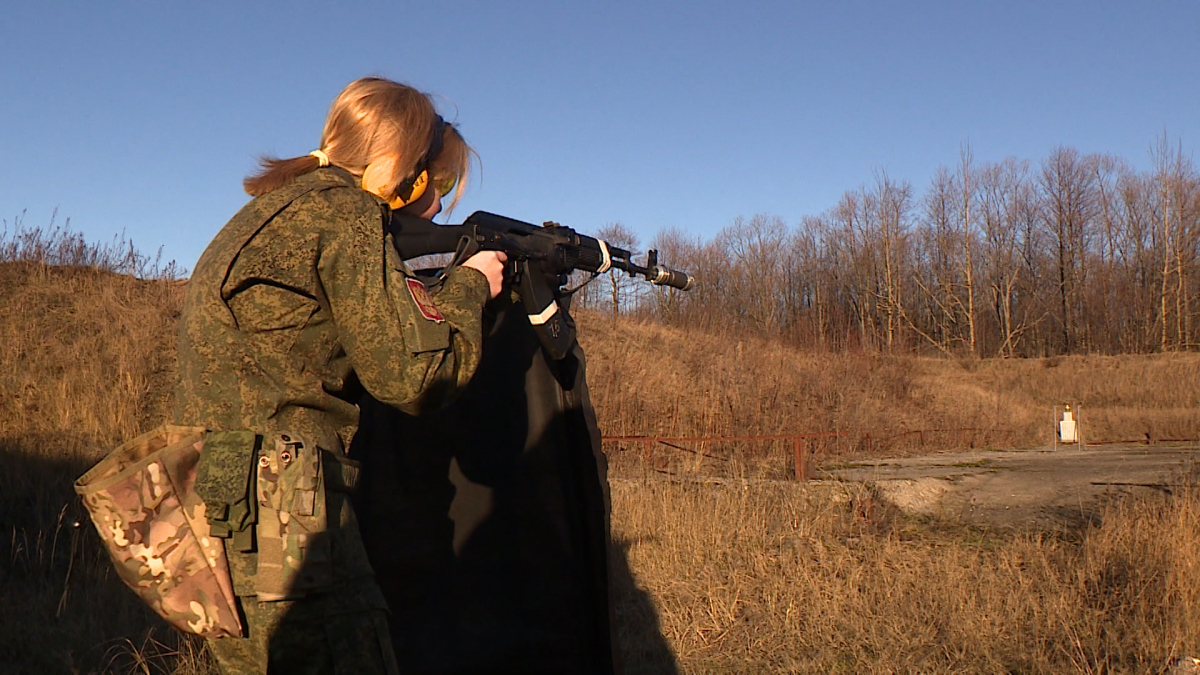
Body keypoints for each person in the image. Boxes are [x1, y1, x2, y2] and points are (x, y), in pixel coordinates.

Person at [172, 76, 506, 674]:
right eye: (443, 180)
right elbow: (414, 378)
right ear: (406, 165)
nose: (439, 200)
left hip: (221, 504)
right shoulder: (347, 216)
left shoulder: (270, 213)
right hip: (289, 509)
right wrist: (470, 286)